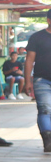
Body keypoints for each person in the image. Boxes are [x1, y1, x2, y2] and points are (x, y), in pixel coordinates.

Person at [24, 12, 51, 152]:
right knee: (45, 109)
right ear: (48, 20)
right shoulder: (37, 37)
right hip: (42, 80)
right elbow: (29, 59)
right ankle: (48, 142)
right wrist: (27, 81)